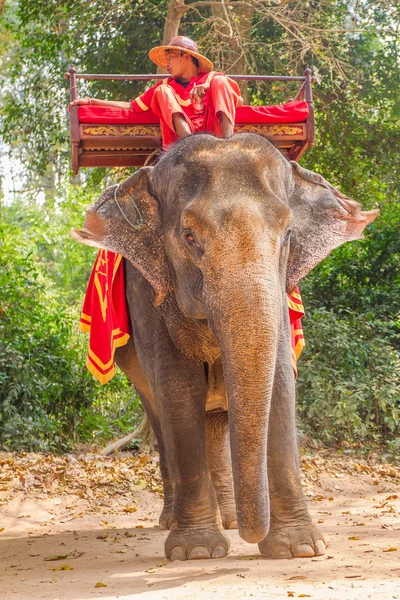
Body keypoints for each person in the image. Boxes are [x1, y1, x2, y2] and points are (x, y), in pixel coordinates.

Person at [69, 36, 242, 148]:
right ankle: (191, 146)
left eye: (170, 58)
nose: (166, 64)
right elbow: (131, 105)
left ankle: (229, 144)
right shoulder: (166, 84)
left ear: (186, 56)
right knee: (162, 91)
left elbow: (237, 102)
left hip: (214, 131)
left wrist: (208, 87)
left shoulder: (213, 77)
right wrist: (91, 101)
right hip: (184, 140)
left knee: (221, 81)